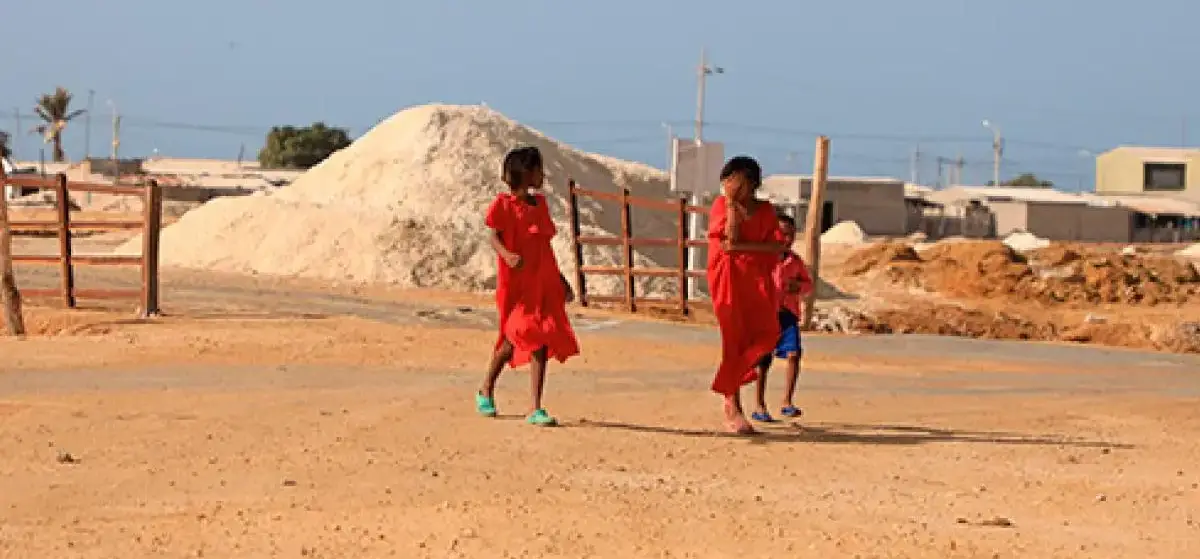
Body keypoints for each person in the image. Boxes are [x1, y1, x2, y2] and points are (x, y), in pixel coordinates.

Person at [476, 146, 580, 426]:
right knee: (511, 340)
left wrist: (560, 280)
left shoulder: (541, 206)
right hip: (517, 286)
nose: (542, 175)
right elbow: (493, 236)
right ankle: (486, 387)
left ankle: (535, 407)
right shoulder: (504, 205)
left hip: (542, 282)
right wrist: (507, 255)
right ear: (525, 173)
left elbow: (545, 247)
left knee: (540, 340)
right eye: (538, 170)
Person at [706, 156, 788, 434]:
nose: (730, 185)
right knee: (734, 341)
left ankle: (727, 380)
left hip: (757, 281)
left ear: (751, 182)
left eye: (735, 179)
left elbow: (776, 247)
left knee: (768, 335)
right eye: (727, 180)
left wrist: (747, 247)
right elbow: (729, 242)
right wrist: (731, 207)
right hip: (729, 281)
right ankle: (733, 404)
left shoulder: (766, 210)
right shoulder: (720, 206)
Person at [751, 213, 814, 423]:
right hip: (766, 313)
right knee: (763, 361)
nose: (787, 239)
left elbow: (808, 285)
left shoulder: (795, 262)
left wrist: (798, 287)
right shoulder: (762, 260)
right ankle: (759, 405)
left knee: (794, 354)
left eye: (791, 235)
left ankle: (787, 401)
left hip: (788, 315)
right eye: (783, 234)